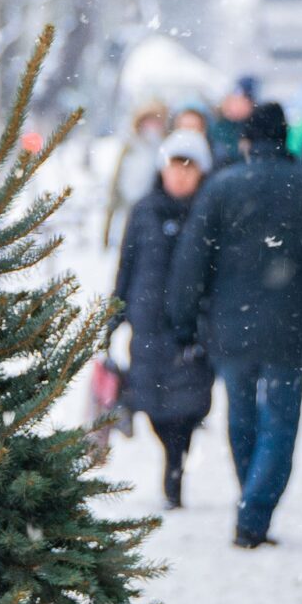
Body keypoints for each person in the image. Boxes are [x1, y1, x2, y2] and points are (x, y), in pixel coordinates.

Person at [166, 102, 302, 547]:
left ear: (246, 141)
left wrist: (185, 318)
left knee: (241, 417)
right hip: (289, 326)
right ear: (284, 139)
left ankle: (250, 501)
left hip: (231, 327)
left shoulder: (221, 189)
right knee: (281, 423)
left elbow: (192, 260)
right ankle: (256, 509)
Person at [110, 129, 215, 510]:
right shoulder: (143, 210)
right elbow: (126, 265)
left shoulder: (209, 211)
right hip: (148, 323)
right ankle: (171, 460)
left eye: (189, 168)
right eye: (175, 166)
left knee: (188, 407)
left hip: (191, 327)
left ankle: (175, 468)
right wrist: (113, 315)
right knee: (152, 405)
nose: (181, 175)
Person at [103, 100, 169, 247]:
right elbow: (117, 179)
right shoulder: (130, 146)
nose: (151, 127)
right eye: (148, 122)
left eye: (156, 122)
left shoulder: (164, 149)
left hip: (151, 209)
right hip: (126, 206)